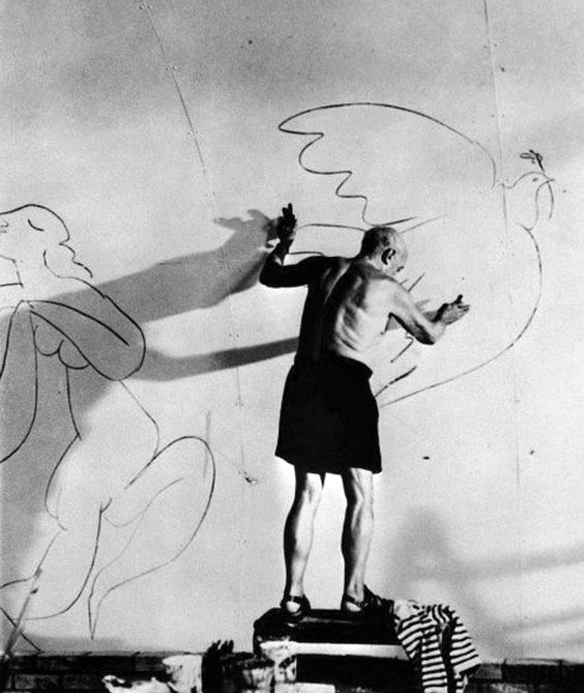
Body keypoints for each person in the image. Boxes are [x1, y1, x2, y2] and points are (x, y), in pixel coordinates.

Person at [0, 204, 214, 642]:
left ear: (38, 240)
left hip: (99, 445)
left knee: (68, 532)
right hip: (56, 450)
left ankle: (59, 621)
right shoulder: (22, 306)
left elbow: (133, 354)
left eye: (7, 229)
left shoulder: (67, 298)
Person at [260, 203, 469, 621]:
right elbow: (428, 334)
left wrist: (283, 243)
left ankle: (292, 596)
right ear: (389, 254)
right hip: (346, 383)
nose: (399, 273)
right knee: (360, 495)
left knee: (307, 493)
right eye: (400, 266)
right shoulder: (386, 286)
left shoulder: (323, 267)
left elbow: (271, 275)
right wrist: (444, 317)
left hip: (304, 379)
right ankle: (354, 595)